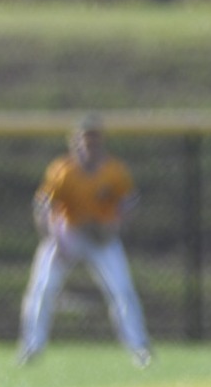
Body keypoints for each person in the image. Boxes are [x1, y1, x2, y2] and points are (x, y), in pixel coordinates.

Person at [17, 114, 153, 368]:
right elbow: (43, 206)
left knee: (122, 290)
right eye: (83, 139)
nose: (88, 145)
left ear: (101, 143)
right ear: (73, 143)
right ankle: (31, 347)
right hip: (67, 234)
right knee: (43, 289)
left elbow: (129, 203)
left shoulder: (114, 171)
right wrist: (52, 239)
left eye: (93, 139)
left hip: (101, 238)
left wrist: (116, 225)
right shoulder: (63, 170)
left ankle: (139, 347)